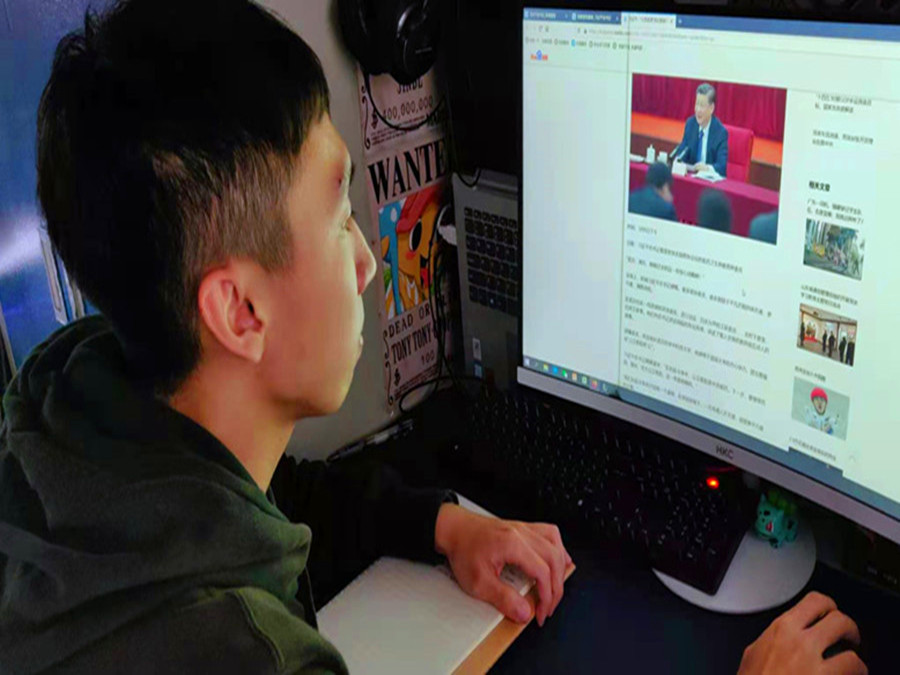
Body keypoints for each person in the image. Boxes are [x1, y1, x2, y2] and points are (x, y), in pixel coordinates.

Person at [0, 2, 867, 674]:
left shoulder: (75, 412)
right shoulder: (239, 653)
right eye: (338, 216)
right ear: (240, 313)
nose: (367, 263)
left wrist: (444, 524)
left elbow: (274, 500)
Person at [671, 82, 729, 177]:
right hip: (691, 179)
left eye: (702, 106)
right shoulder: (691, 124)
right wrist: (679, 161)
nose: (698, 110)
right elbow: (682, 152)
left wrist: (707, 168)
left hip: (709, 183)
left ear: (711, 108)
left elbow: (722, 167)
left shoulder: (720, 133)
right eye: (697, 104)